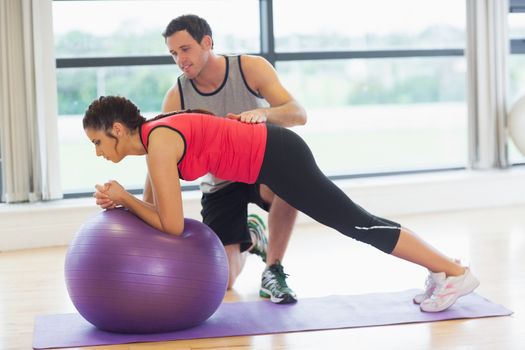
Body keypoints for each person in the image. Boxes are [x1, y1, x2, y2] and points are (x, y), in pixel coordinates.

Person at [83, 95, 480, 313]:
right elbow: (151, 208)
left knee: (357, 224)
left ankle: (453, 271)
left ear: (118, 129)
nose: (99, 152)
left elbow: (169, 225)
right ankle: (444, 271)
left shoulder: (159, 143)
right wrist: (122, 202)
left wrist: (123, 198)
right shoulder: (154, 140)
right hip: (269, 156)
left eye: (99, 142)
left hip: (276, 155)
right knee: (359, 222)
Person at [94, 14, 306, 304]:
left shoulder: (250, 68)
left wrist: (264, 114)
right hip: (219, 185)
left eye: (185, 49)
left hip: (259, 168)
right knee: (227, 281)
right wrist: (141, 206)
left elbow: (297, 113)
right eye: (173, 53)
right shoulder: (176, 96)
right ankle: (253, 235)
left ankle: (273, 268)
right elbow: (157, 155)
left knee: (291, 182)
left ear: (207, 42)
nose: (180, 59)